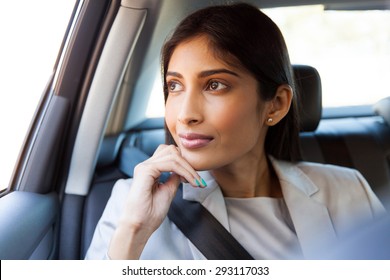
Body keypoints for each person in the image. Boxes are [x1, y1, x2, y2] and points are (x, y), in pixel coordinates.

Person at [85, 3, 385, 260]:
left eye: (215, 85)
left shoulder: (349, 190)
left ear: (276, 105)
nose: (185, 115)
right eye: (174, 86)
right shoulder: (132, 201)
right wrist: (133, 232)